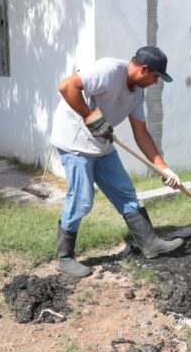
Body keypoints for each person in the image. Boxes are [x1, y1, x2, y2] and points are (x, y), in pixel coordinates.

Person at [50, 46, 184, 277]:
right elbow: (66, 86)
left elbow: (141, 134)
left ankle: (150, 243)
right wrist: (89, 116)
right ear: (144, 69)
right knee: (82, 199)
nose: (155, 83)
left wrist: (164, 169)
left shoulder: (137, 93)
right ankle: (65, 257)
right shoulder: (109, 70)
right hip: (75, 142)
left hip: (101, 143)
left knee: (125, 192)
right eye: (155, 77)